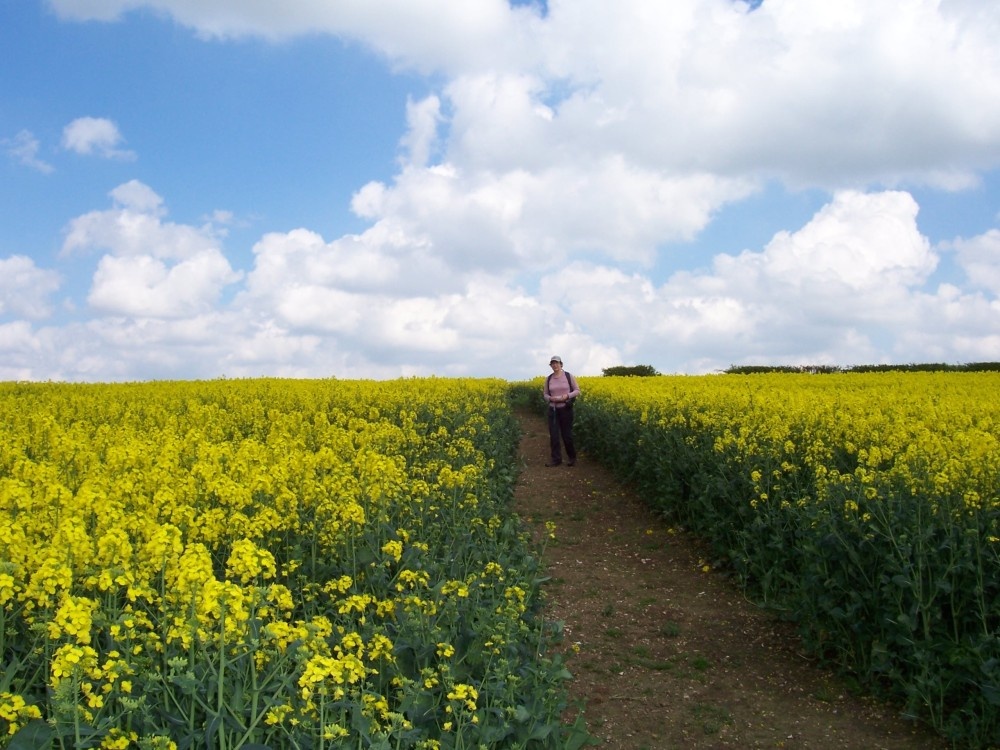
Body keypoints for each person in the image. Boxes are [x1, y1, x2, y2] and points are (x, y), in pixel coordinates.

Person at [542, 355, 581, 467]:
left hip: (566, 409)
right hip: (553, 409)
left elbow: (577, 391)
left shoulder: (568, 376)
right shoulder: (549, 379)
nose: (555, 365)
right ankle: (556, 459)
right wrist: (550, 398)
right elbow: (545, 393)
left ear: (561, 364)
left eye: (557, 363)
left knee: (566, 435)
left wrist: (566, 396)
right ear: (551, 365)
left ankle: (572, 458)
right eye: (553, 363)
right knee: (554, 435)